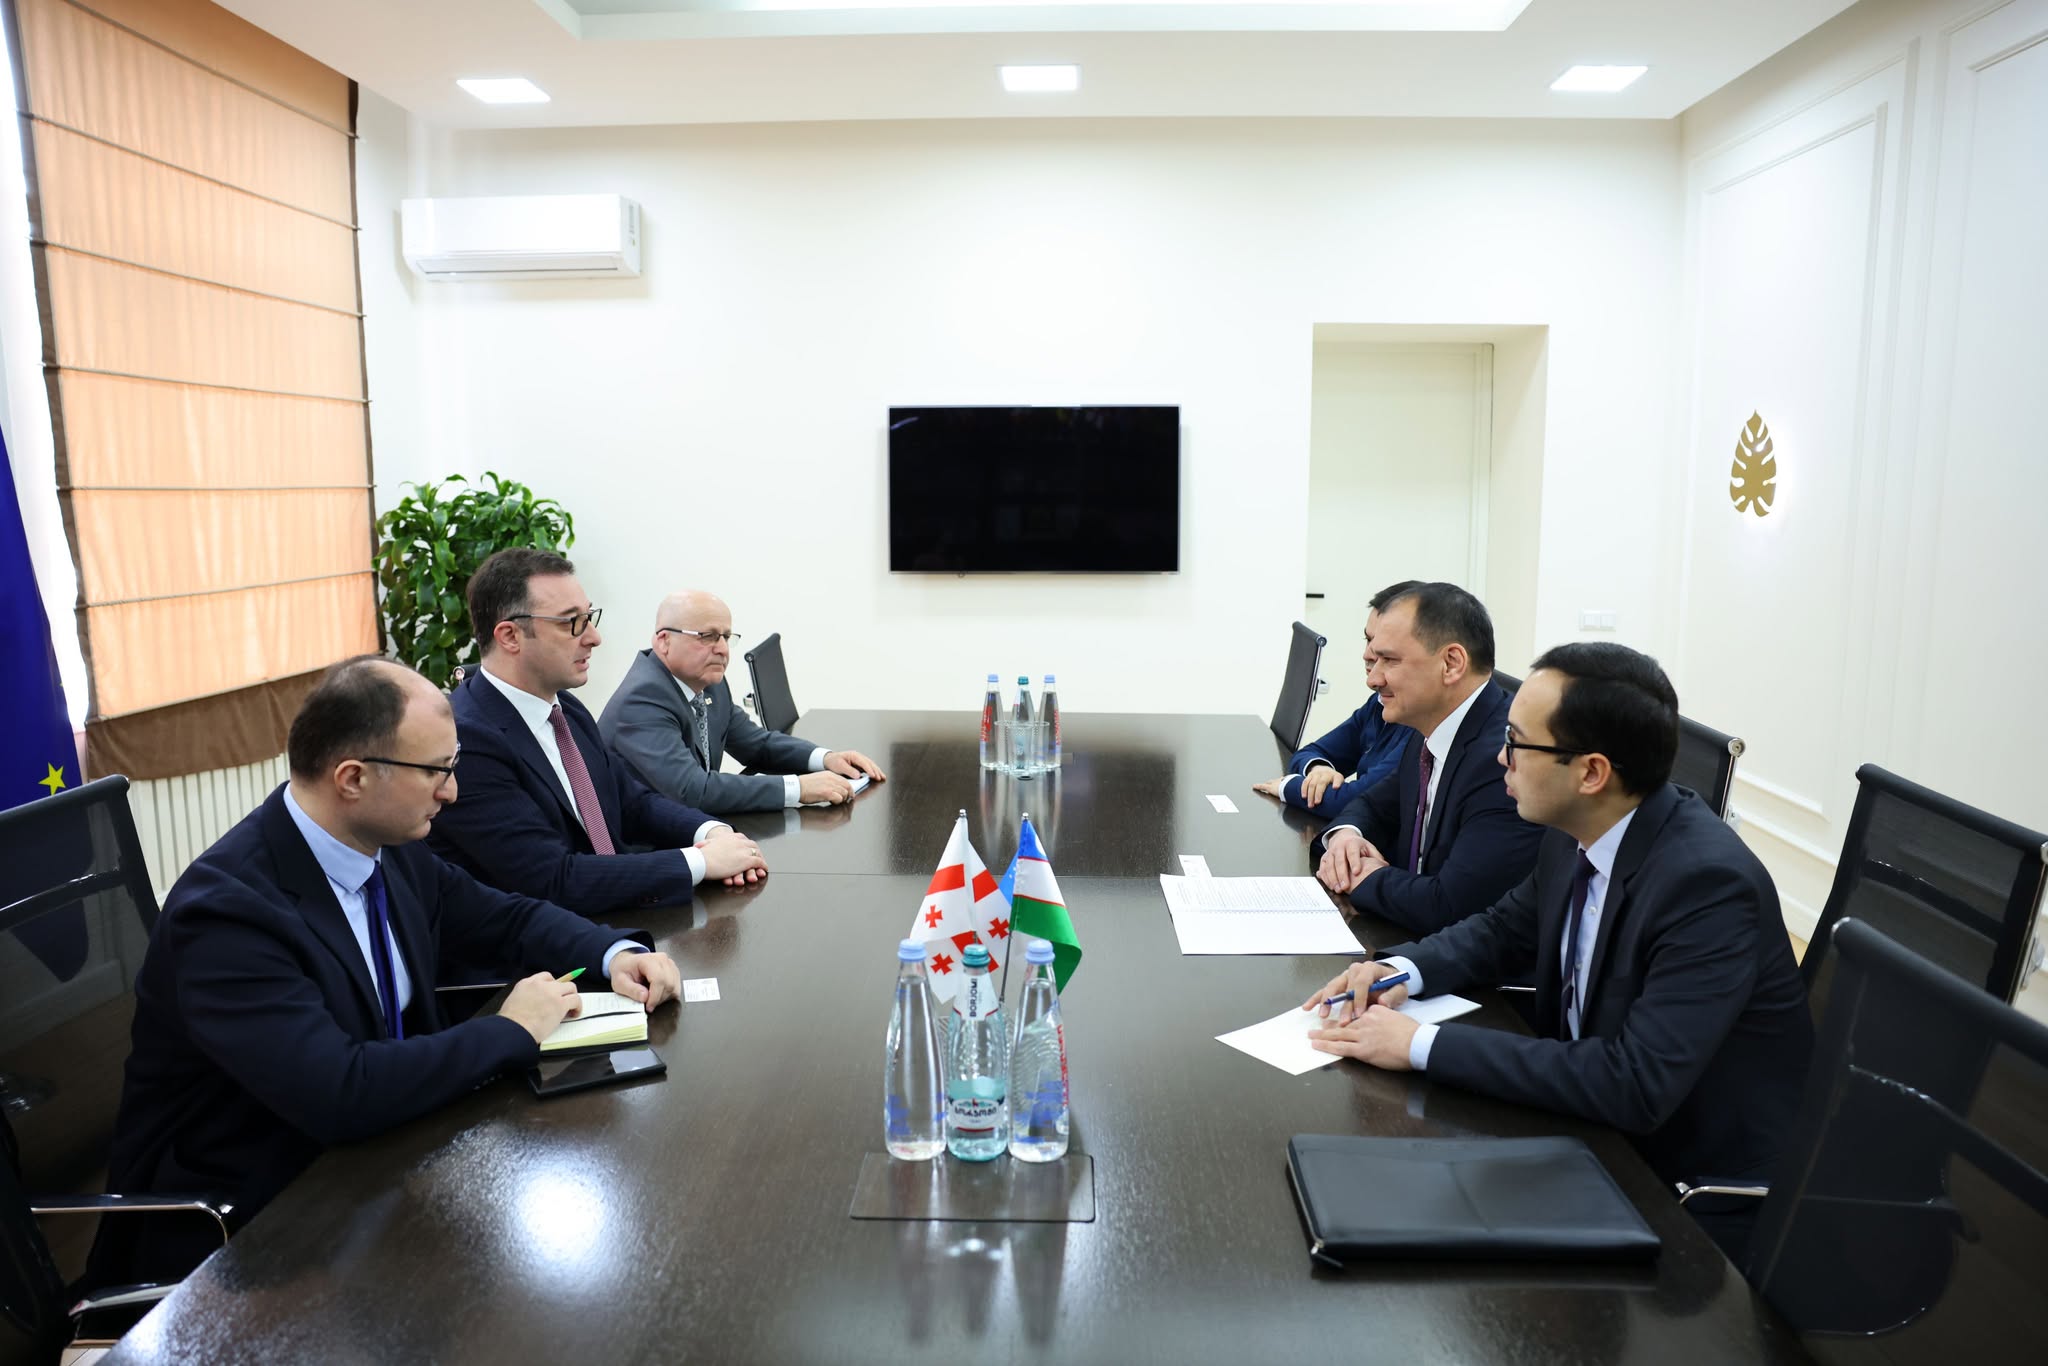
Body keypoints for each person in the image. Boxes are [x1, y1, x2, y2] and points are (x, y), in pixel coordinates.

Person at [97, 657, 683, 1282]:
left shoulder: (386, 847)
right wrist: (510, 1030)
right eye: (436, 771)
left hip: (385, 1156)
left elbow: (505, 917)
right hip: (252, 1229)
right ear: (352, 778)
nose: (451, 792)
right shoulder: (227, 915)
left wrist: (615, 953)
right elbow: (340, 1092)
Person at [1303, 642, 1812, 1262]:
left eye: (1516, 743)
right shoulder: (1579, 829)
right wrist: (1397, 969)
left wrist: (1416, 1044)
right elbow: (1500, 931)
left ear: (1591, 773)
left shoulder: (1707, 886)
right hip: (1581, 1126)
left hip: (1682, 1190)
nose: (1501, 757)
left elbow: (1634, 1083)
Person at [428, 549, 768, 916]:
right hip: (551, 942)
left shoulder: (566, 708)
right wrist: (700, 862)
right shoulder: (468, 739)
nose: (594, 637)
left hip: (616, 916)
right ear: (510, 636)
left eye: (589, 617)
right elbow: (553, 880)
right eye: (571, 623)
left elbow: (632, 801)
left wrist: (712, 833)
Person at [1313, 583, 1541, 935]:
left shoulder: (1505, 759)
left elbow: (1450, 907)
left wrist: (1360, 876)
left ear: (1451, 663)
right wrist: (1346, 838)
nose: (1373, 679)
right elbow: (1373, 805)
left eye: (1389, 660)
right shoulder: (1430, 725)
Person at [599, 590, 886, 814]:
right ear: (664, 641)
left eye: (726, 637)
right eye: (708, 637)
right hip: (645, 849)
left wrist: (825, 758)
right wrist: (797, 788)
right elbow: (692, 790)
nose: (723, 649)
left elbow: (756, 745)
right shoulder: (642, 701)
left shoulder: (709, 683)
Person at [1252, 579, 1419, 816]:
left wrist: (1287, 787)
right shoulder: (1378, 702)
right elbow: (1309, 753)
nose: (1367, 654)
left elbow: (1355, 800)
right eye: (1368, 640)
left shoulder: (1421, 725)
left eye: (1384, 649)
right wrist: (1319, 770)